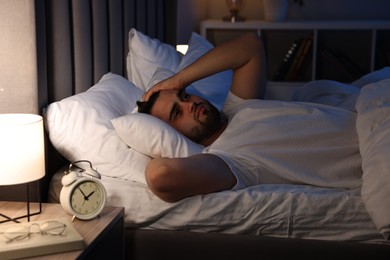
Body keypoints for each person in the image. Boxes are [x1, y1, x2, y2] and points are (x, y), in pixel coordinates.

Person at [137, 33, 362, 203]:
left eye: (185, 95)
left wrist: (178, 80)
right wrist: (158, 143)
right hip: (369, 148)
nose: (190, 104)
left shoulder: (238, 106)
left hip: (364, 116)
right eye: (177, 113)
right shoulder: (226, 159)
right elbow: (160, 176)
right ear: (171, 133)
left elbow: (250, 45)